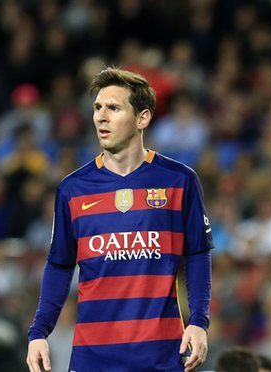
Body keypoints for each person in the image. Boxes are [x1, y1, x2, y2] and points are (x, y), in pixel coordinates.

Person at [26, 67, 214, 372]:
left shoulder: (179, 181)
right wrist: (39, 333)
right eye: (98, 108)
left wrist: (199, 322)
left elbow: (197, 254)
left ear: (142, 118)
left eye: (113, 108)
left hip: (161, 356)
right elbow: (60, 265)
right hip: (93, 358)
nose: (101, 116)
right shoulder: (73, 190)